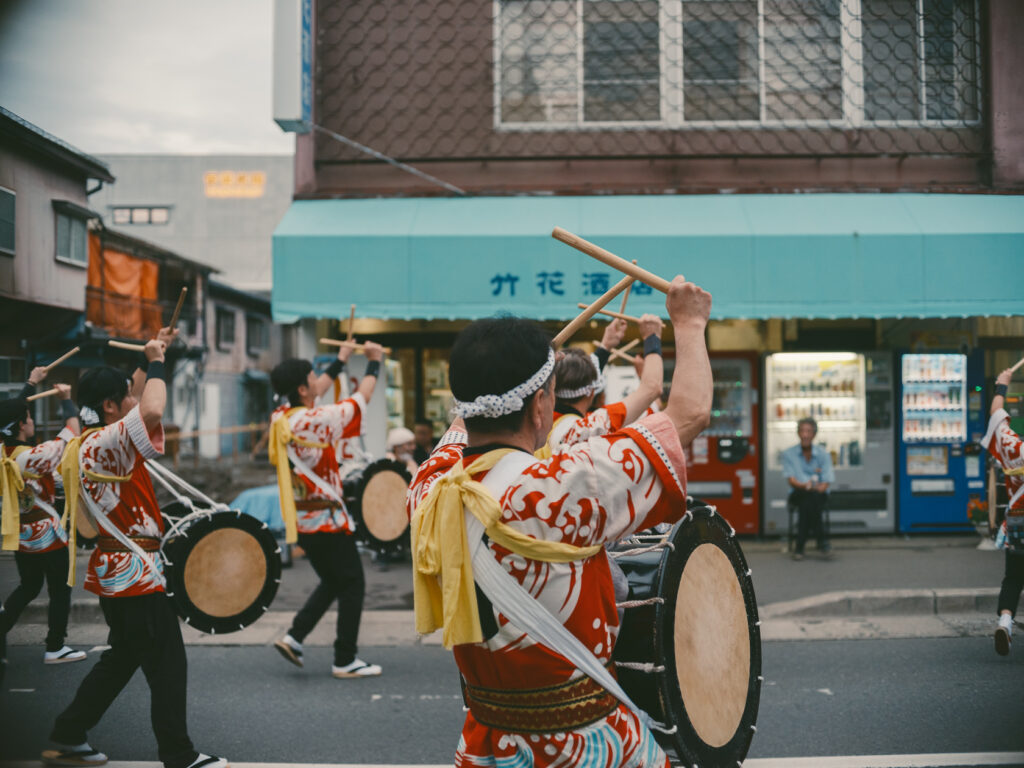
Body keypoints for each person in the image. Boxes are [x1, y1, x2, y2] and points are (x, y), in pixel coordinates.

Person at [408, 276, 712, 768]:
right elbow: (690, 413)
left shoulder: (429, 485)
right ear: (540, 404)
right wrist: (690, 322)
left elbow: (461, 426)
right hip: (586, 748)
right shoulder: (569, 483)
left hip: (487, 746)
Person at [45, 328, 227, 768]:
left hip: (117, 570)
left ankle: (69, 733)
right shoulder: (110, 441)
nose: (132, 400)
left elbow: (136, 399)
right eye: (125, 396)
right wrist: (159, 363)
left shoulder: (85, 442)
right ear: (110, 406)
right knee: (168, 663)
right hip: (136, 575)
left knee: (122, 658)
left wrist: (151, 357)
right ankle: (178, 754)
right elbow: (151, 408)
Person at [269, 341, 384, 678]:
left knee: (334, 581)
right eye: (312, 378)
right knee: (353, 583)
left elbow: (317, 386)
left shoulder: (281, 418)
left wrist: (341, 359)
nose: (318, 382)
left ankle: (294, 636)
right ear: (303, 388)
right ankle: (345, 659)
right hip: (328, 522)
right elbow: (362, 398)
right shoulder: (319, 419)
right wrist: (374, 363)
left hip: (304, 522)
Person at [0, 383, 85, 667]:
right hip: (46, 534)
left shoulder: (4, 453)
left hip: (20, 534)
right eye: (29, 417)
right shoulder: (28, 457)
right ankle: (55, 646)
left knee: (29, 586)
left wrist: (30, 385)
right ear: (22, 425)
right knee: (60, 589)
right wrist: (66, 400)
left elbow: (8, 411)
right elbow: (71, 436)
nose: (33, 421)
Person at [542, 315, 663, 456]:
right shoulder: (587, 427)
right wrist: (652, 338)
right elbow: (653, 389)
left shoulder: (540, 423)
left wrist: (606, 346)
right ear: (591, 392)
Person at [981, 367, 1024, 656]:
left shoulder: (1012, 444)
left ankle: (1005, 621)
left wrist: (1001, 385)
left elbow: (997, 415)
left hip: (1018, 520)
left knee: (1013, 576)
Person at [782, 417, 834, 560]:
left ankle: (800, 547)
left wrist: (813, 488)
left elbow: (826, 483)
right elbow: (791, 480)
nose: (805, 435)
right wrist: (805, 486)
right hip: (798, 493)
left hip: (817, 495)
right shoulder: (789, 454)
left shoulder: (823, 454)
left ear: (814, 434)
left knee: (809, 501)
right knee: (808, 498)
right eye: (802, 431)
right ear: (798, 433)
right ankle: (822, 541)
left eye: (808, 431)